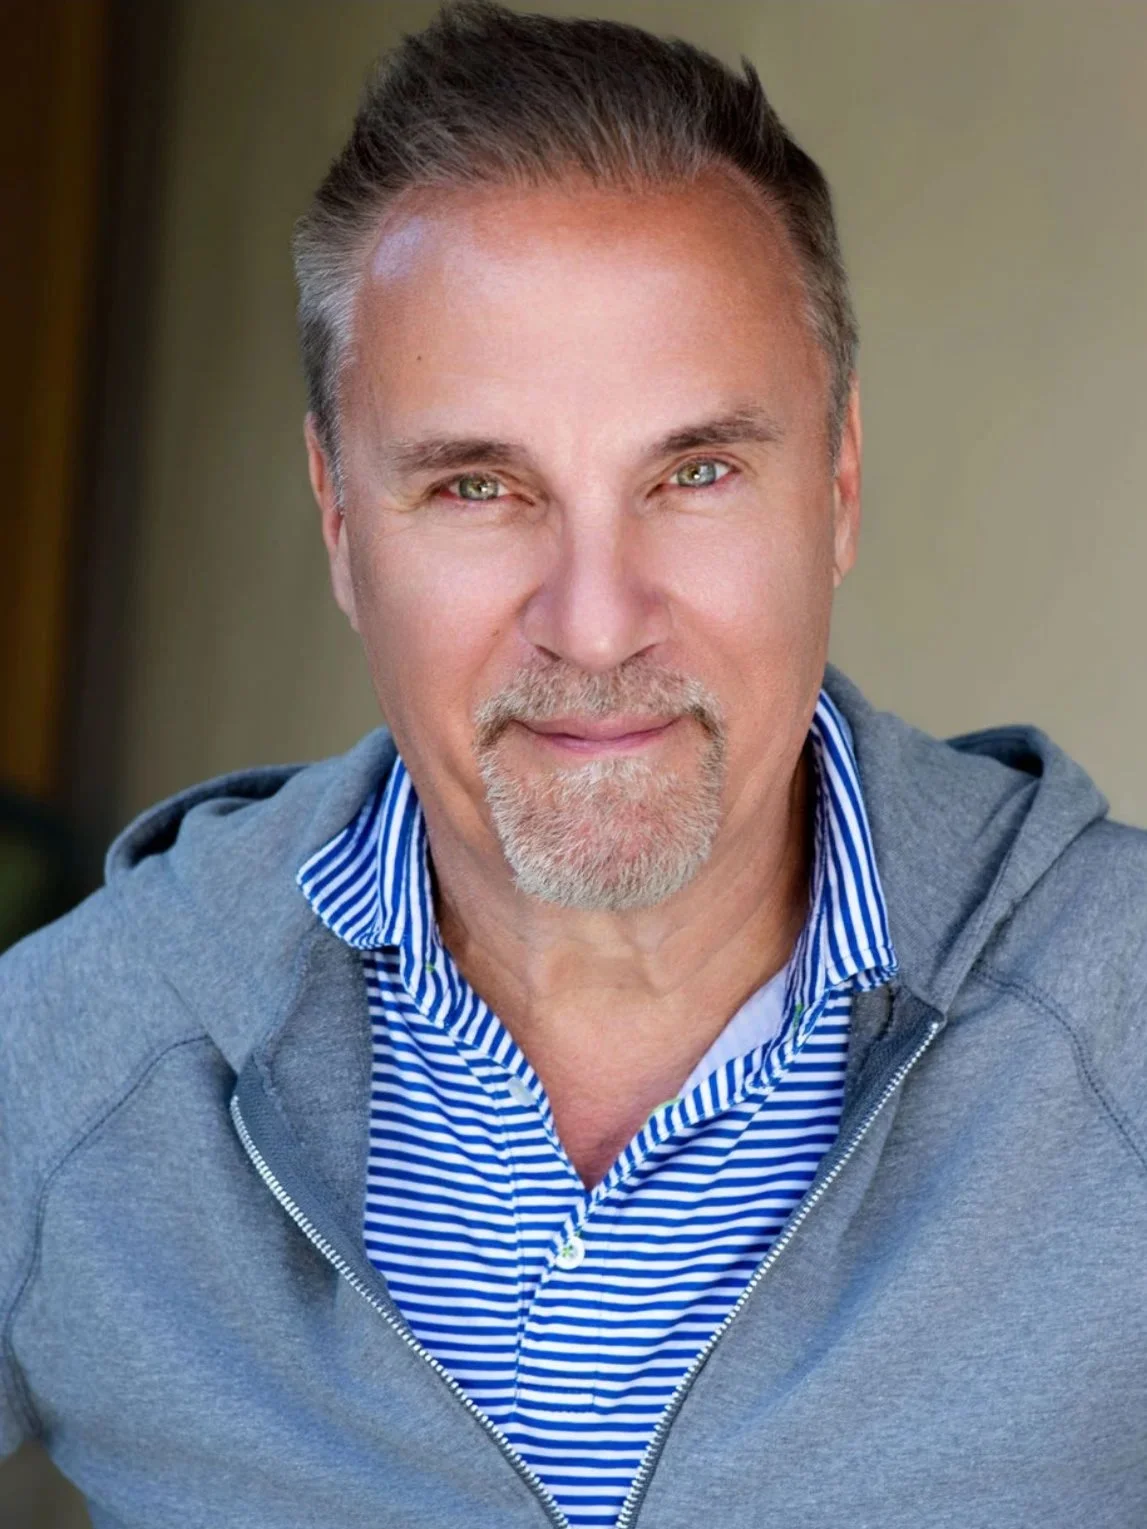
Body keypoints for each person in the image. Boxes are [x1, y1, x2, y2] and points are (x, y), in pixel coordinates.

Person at [3, 3, 1146, 1525]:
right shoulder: (72, 1063)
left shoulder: (1120, 1023)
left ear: (839, 487)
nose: (595, 623)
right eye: (478, 485)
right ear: (341, 523)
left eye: (694, 473)